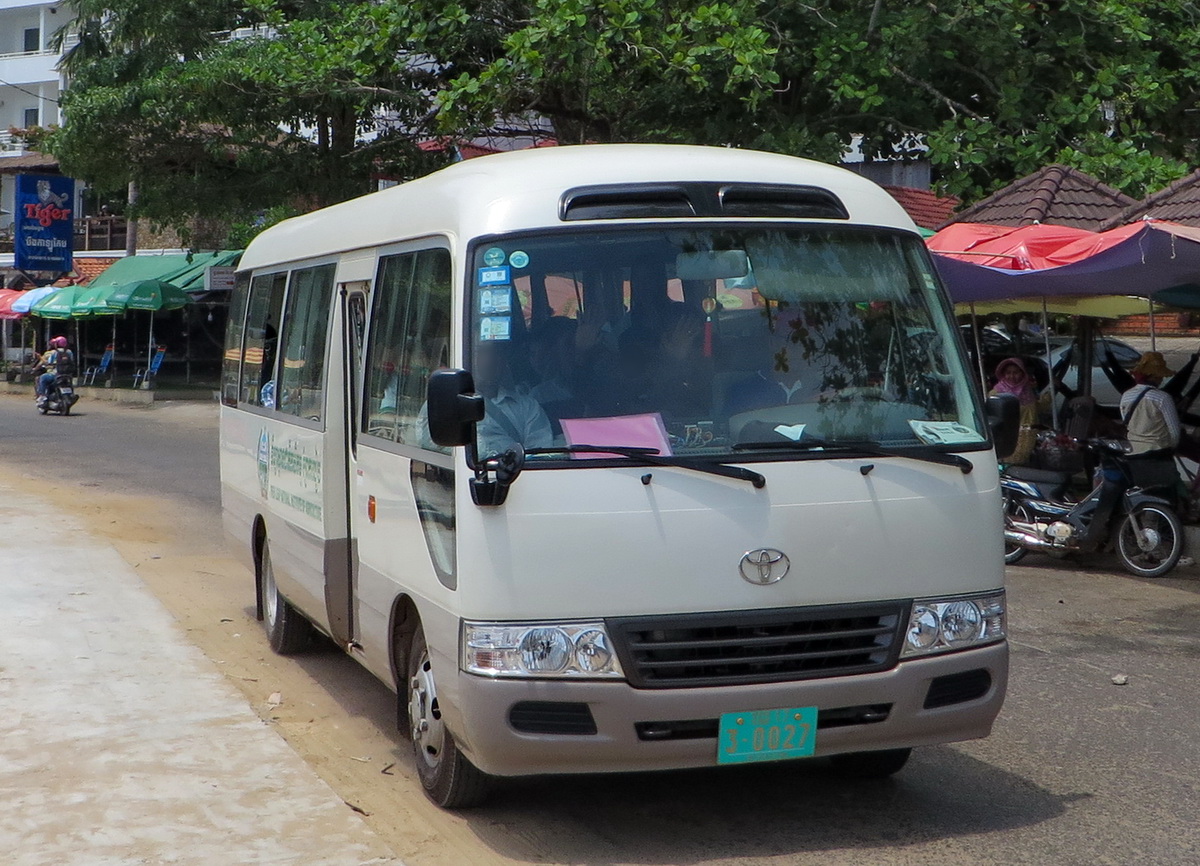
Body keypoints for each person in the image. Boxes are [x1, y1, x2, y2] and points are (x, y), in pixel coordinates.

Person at [1081, 351, 1180, 550]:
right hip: (1157, 455)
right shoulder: (1162, 398)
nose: (1161, 379)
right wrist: (1172, 446)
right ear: (1155, 376)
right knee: (1170, 495)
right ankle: (1166, 538)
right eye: (1160, 375)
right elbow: (1175, 432)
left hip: (1132, 454)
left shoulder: (1127, 395)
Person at [988, 357, 1046, 465]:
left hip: (1028, 437)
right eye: (1008, 373)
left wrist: (1051, 392)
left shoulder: (1028, 391)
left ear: (1023, 373)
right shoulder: (996, 393)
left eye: (1016, 372)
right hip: (1008, 437)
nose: (1012, 376)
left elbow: (1037, 409)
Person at [34, 336, 75, 406]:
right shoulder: (69, 352)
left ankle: (42, 396)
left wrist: (40, 358)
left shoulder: (54, 353)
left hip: (55, 374)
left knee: (42, 378)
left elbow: (48, 363)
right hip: (68, 375)